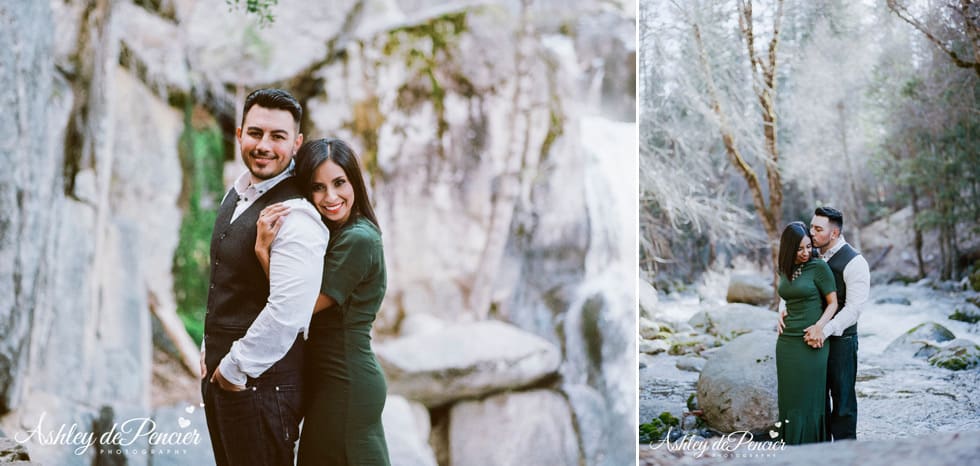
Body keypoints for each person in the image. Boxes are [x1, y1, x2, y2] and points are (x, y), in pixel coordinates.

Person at [200, 89, 329, 466]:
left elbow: (289, 312)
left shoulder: (297, 217)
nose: (264, 146)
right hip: (229, 379)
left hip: (260, 384)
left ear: (297, 143)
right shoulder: (239, 191)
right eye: (256, 133)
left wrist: (233, 368)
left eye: (278, 136)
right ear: (239, 134)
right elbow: (227, 281)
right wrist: (209, 349)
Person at [256, 137, 391, 466]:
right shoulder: (336, 233)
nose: (330, 197)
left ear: (354, 181)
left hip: (344, 384)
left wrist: (262, 253)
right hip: (333, 383)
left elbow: (297, 308)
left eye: (339, 183)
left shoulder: (358, 239)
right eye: (318, 187)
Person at [804, 206, 869, 440]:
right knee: (816, 401)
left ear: (834, 233)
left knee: (842, 403)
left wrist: (825, 329)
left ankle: (845, 455)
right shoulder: (809, 253)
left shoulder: (855, 262)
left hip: (842, 341)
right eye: (811, 226)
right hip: (810, 340)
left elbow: (854, 309)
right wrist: (782, 309)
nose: (811, 232)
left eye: (818, 229)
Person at [774, 221, 838, 444]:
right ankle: (790, 449)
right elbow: (786, 295)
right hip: (786, 343)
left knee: (810, 400)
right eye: (799, 249)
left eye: (808, 247)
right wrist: (780, 310)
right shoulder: (784, 267)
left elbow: (833, 303)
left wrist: (820, 327)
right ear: (789, 249)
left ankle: (814, 451)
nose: (805, 253)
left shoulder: (818, 268)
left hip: (812, 343)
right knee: (789, 400)